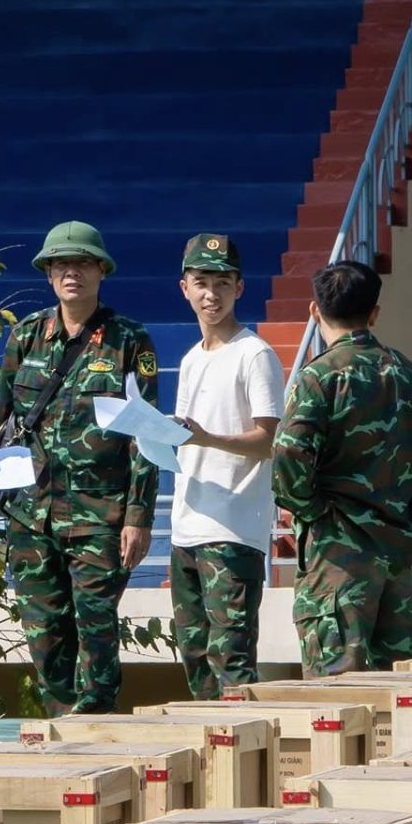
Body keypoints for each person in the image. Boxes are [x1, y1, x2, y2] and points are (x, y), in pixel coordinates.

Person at [0, 221, 160, 715]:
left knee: (96, 628)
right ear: (49, 273)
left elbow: (146, 435)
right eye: (61, 264)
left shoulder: (129, 340)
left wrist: (138, 517)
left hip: (99, 514)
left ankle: (97, 720)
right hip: (31, 514)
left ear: (101, 271)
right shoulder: (27, 335)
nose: (71, 273)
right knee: (44, 631)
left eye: (82, 263)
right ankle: (60, 723)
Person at [271, 259, 412, 677]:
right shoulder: (408, 374)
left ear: (314, 311)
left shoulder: (319, 377)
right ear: (374, 314)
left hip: (336, 561)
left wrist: (312, 510)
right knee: (396, 697)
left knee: (336, 695)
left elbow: (289, 454)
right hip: (396, 559)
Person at [168, 233, 284, 697]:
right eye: (201, 283)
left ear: (239, 287)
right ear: (185, 288)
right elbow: (186, 435)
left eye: (221, 283)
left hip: (232, 528)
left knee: (230, 660)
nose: (211, 294)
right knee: (195, 659)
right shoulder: (190, 358)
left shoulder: (254, 354)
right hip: (186, 524)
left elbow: (269, 440)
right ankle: (207, 741)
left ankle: (240, 743)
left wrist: (207, 438)